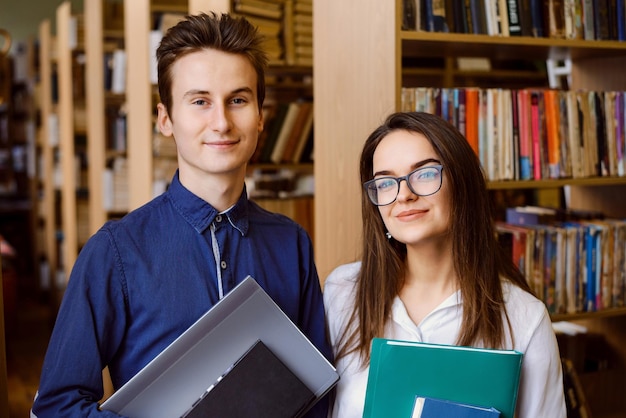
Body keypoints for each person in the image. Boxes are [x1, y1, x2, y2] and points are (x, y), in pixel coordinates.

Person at [32, 12, 331, 417]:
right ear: (166, 119)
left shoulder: (291, 242)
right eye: (200, 102)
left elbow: (317, 391)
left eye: (238, 100)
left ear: (262, 115)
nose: (221, 122)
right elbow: (56, 406)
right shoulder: (115, 252)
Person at [323, 111, 566, 418]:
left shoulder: (524, 318)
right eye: (386, 182)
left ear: (461, 184)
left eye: (425, 174)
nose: (404, 195)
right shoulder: (341, 293)